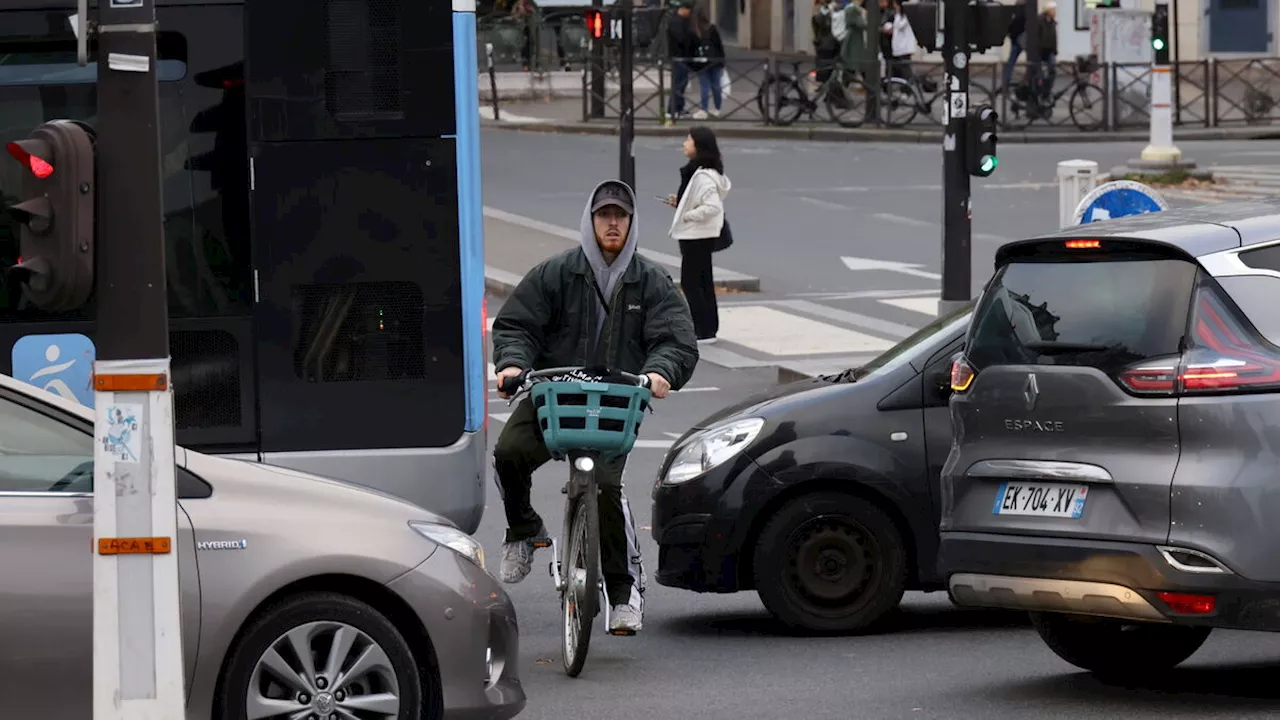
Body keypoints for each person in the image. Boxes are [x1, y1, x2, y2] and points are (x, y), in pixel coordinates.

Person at [491, 180, 699, 634]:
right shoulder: (556, 273)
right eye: (603, 215)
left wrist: (661, 372)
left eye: (620, 216)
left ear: (631, 223)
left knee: (605, 485)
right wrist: (512, 364)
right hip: (555, 395)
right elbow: (517, 325)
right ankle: (524, 530)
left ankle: (623, 593)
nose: (611, 223)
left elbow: (675, 339)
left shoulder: (651, 280)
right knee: (508, 453)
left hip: (614, 403)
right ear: (590, 220)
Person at [664, 127, 730, 343]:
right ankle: (708, 328)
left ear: (698, 146)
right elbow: (699, 200)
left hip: (697, 235)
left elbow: (712, 207)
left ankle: (702, 329)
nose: (684, 143)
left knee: (692, 282)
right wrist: (681, 203)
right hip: (700, 235)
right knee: (702, 280)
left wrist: (688, 215)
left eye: (688, 140)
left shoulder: (702, 176)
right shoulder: (701, 172)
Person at [666, 0, 699, 122]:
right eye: (689, 11)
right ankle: (673, 109)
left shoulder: (682, 21)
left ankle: (679, 108)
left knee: (682, 83)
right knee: (678, 83)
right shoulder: (676, 22)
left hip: (682, 56)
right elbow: (681, 39)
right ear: (683, 9)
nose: (689, 14)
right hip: (678, 56)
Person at [691, 7, 726, 119]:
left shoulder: (695, 30)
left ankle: (704, 109)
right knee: (716, 85)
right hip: (715, 60)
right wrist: (722, 60)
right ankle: (717, 109)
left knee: (704, 85)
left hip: (702, 62)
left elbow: (693, 48)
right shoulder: (712, 28)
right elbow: (719, 45)